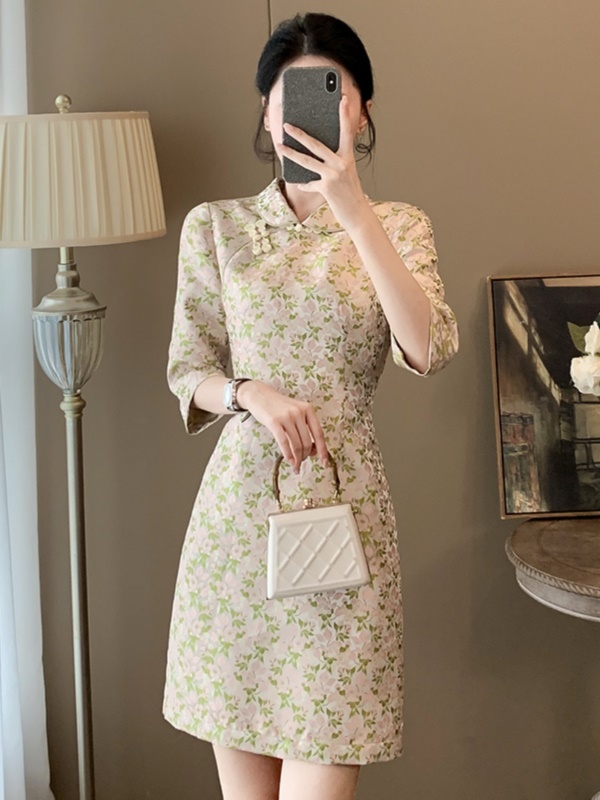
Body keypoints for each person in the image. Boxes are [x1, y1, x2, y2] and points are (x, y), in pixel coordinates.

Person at [162, 12, 459, 800]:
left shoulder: (398, 227)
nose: (308, 112)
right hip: (237, 531)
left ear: (361, 112)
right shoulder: (217, 227)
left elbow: (429, 346)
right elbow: (188, 369)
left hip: (344, 528)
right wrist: (248, 393)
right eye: (286, 96)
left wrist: (354, 211)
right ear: (266, 113)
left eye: (333, 92)